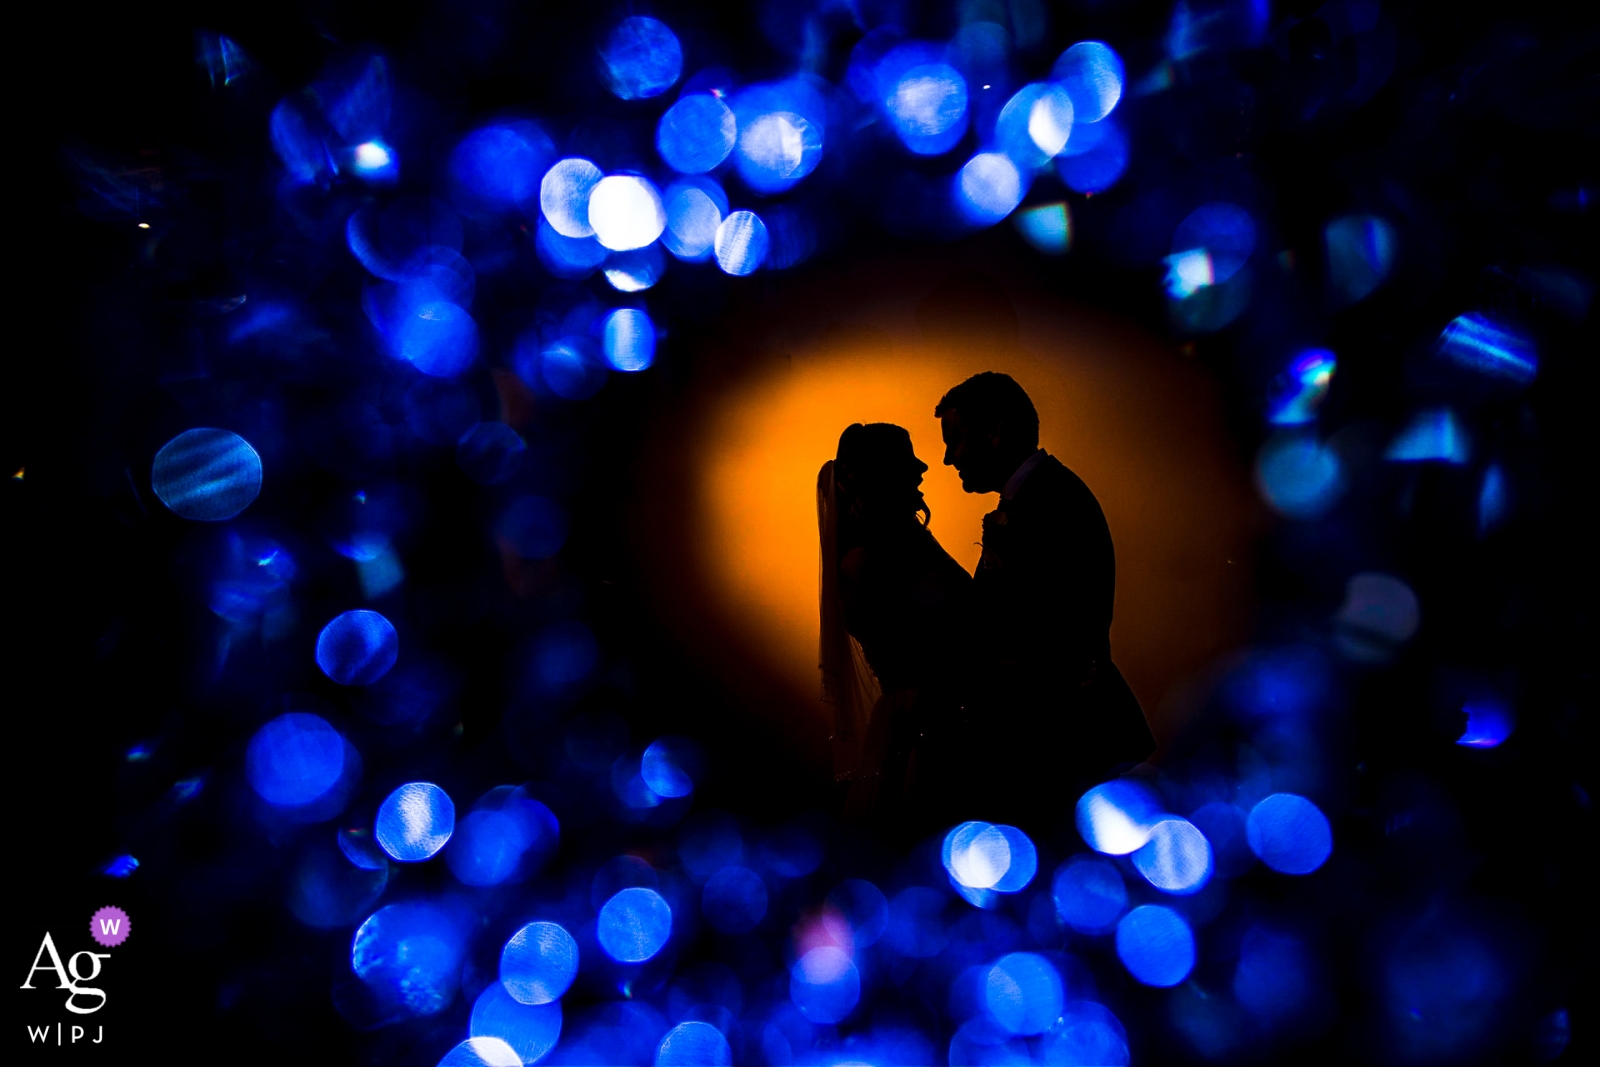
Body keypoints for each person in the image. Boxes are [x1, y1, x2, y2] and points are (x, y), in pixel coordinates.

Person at [936, 372, 1155, 827]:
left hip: (1058, 736)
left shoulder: (1046, 505)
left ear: (995, 432)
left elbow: (1045, 632)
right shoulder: (1050, 494)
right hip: (1059, 731)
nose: (945, 458)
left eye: (955, 440)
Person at [818, 423, 972, 827]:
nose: (922, 467)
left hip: (946, 713)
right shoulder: (864, 563)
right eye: (907, 460)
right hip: (920, 725)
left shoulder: (910, 544)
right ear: (878, 475)